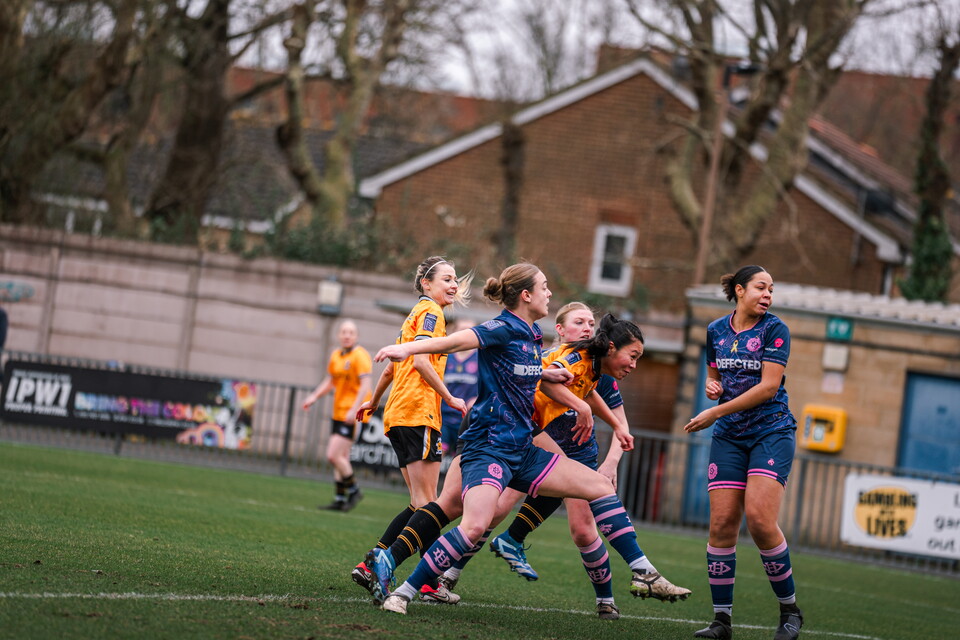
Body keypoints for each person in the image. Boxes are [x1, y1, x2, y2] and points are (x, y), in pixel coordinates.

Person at [368, 263, 687, 616]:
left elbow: (533, 374)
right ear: (526, 295)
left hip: (524, 448)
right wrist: (411, 350)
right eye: (545, 287)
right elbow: (464, 339)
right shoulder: (503, 327)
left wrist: (556, 381)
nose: (550, 293)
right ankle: (405, 591)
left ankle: (643, 572)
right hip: (490, 444)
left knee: (600, 486)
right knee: (473, 524)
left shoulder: (534, 334)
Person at [480, 303, 691, 619]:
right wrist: (581, 408)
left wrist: (611, 461)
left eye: (592, 323)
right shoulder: (565, 361)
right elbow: (542, 381)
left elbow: (617, 420)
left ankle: (608, 598)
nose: (588, 328)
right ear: (561, 329)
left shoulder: (599, 369)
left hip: (575, 452)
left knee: (583, 529)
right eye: (579, 322)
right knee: (485, 511)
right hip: (527, 437)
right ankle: (442, 573)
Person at [683, 266, 803, 640]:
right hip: (730, 436)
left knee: (760, 520)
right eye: (761, 287)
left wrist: (714, 411)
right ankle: (722, 620)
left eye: (772, 289)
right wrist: (713, 387)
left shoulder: (775, 330)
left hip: (771, 431)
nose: (768, 295)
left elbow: (769, 388)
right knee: (720, 526)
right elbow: (714, 375)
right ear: (739, 290)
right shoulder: (715, 330)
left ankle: (790, 611)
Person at [349, 256, 469, 604]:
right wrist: (449, 396)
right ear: (426, 284)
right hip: (419, 413)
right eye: (446, 278)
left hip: (398, 415)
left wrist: (373, 402)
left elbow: (391, 368)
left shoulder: (414, 316)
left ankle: (380, 564)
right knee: (431, 505)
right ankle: (422, 579)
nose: (453, 284)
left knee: (420, 503)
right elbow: (418, 361)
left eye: (455, 279)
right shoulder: (431, 313)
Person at [302, 319, 372, 511]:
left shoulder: (360, 356)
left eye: (350, 332)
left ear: (356, 336)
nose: (347, 335)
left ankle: (355, 490)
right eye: (344, 332)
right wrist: (314, 396)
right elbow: (330, 380)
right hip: (338, 412)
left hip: (352, 414)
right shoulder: (336, 355)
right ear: (339, 335)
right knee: (341, 457)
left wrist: (354, 408)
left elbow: (366, 385)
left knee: (333, 455)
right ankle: (340, 498)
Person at [439, 318, 479, 454]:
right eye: (461, 330)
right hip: (443, 416)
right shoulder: (445, 358)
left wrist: (477, 399)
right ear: (454, 332)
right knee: (437, 454)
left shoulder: (482, 358)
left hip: (467, 419)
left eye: (469, 331)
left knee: (460, 459)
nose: (465, 334)